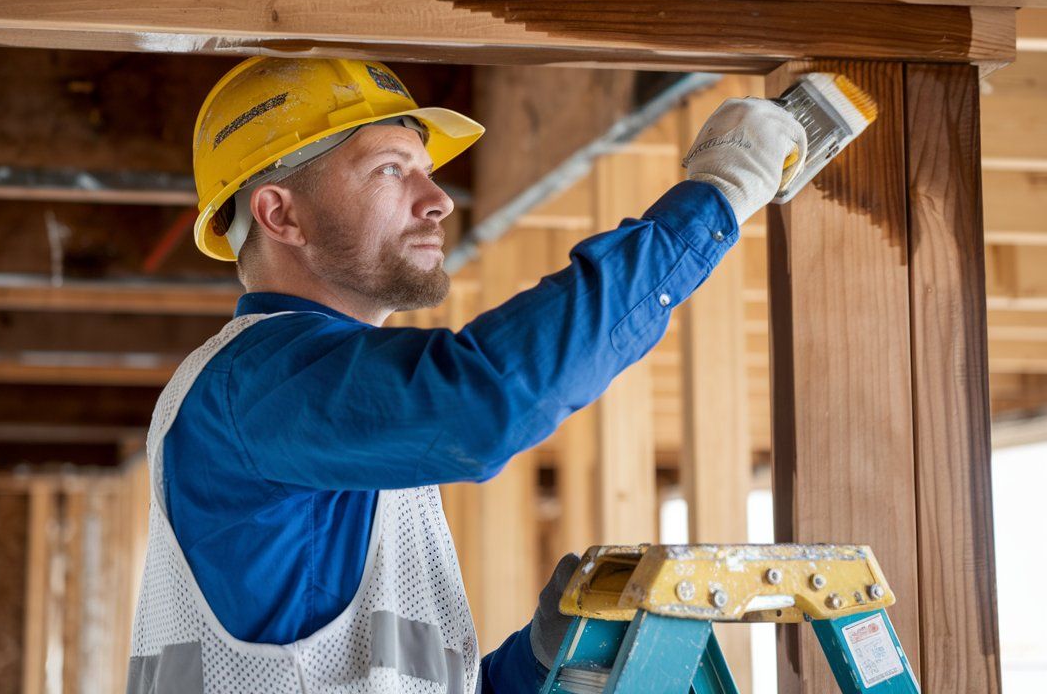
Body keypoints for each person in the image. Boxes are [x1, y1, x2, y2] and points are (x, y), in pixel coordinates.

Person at [127, 57, 803, 693]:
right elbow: (487, 399)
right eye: (391, 170)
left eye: (425, 169)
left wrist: (539, 658)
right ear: (282, 214)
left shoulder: (330, 411)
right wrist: (716, 197)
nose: (438, 199)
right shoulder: (254, 385)